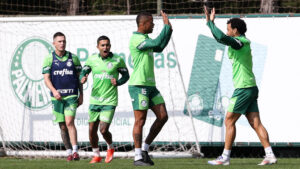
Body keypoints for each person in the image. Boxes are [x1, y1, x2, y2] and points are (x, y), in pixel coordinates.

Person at [204, 7, 277, 165]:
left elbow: (221, 38)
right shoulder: (240, 42)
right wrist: (210, 22)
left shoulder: (239, 42)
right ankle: (270, 155)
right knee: (255, 123)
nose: (227, 31)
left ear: (235, 30)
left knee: (229, 120)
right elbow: (223, 38)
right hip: (250, 87)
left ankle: (225, 157)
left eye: (229, 29)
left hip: (244, 88)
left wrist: (210, 23)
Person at [128, 10, 172, 166]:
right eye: (152, 22)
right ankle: (137, 156)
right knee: (140, 120)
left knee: (163, 116)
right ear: (143, 23)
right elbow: (156, 43)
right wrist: (166, 28)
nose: (153, 24)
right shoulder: (136, 39)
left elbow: (159, 47)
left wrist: (169, 29)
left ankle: (145, 149)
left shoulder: (145, 38)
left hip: (150, 86)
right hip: (139, 85)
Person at [80, 35, 129, 164]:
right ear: (98, 47)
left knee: (103, 130)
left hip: (109, 100)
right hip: (95, 100)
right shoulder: (92, 59)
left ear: (110, 46)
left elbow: (126, 75)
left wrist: (118, 82)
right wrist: (82, 78)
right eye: (102, 45)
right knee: (91, 130)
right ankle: (96, 155)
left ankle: (110, 147)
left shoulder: (117, 60)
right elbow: (83, 72)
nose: (105, 47)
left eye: (107, 45)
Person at [42, 32, 83, 161]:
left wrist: (81, 94)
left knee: (70, 122)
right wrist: (54, 91)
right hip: (57, 98)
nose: (62, 43)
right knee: (63, 125)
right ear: (54, 43)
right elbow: (46, 79)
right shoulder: (49, 58)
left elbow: (80, 78)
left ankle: (76, 151)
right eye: (59, 41)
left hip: (71, 96)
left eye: (64, 41)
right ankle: (69, 152)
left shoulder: (73, 58)